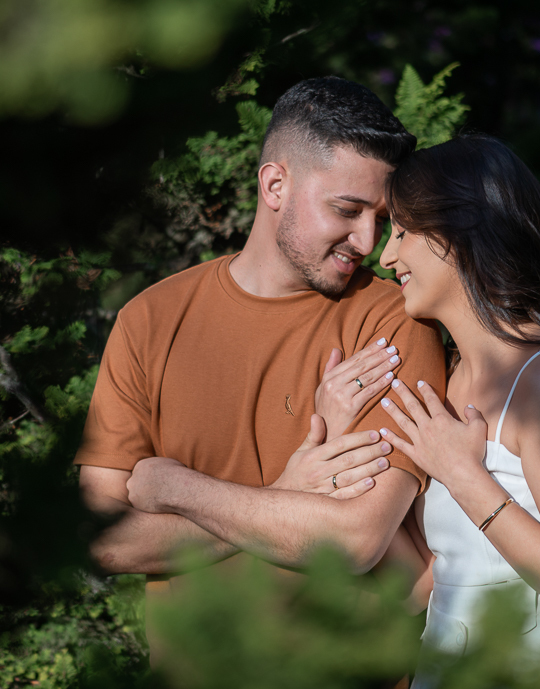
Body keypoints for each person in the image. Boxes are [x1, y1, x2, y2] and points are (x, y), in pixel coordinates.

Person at [75, 76, 446, 664]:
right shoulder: (150, 320)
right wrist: (284, 493)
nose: (368, 240)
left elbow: (357, 538)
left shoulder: (392, 328)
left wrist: (178, 489)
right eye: (347, 210)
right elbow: (106, 539)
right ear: (275, 185)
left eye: (381, 217)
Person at [371, 134, 540, 688]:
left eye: (401, 232)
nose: (386, 256)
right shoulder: (446, 378)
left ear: (458, 233)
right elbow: (430, 582)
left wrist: (466, 476)